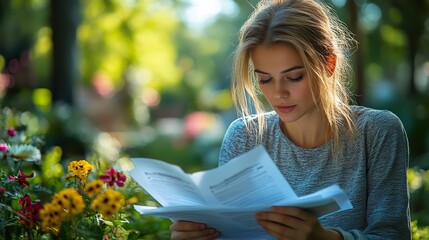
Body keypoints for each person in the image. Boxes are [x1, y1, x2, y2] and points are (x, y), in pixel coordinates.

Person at [170, 0, 411, 239]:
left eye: (294, 77)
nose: (278, 93)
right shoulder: (244, 136)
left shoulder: (378, 132)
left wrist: (325, 238)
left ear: (328, 64)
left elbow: (392, 235)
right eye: (265, 79)